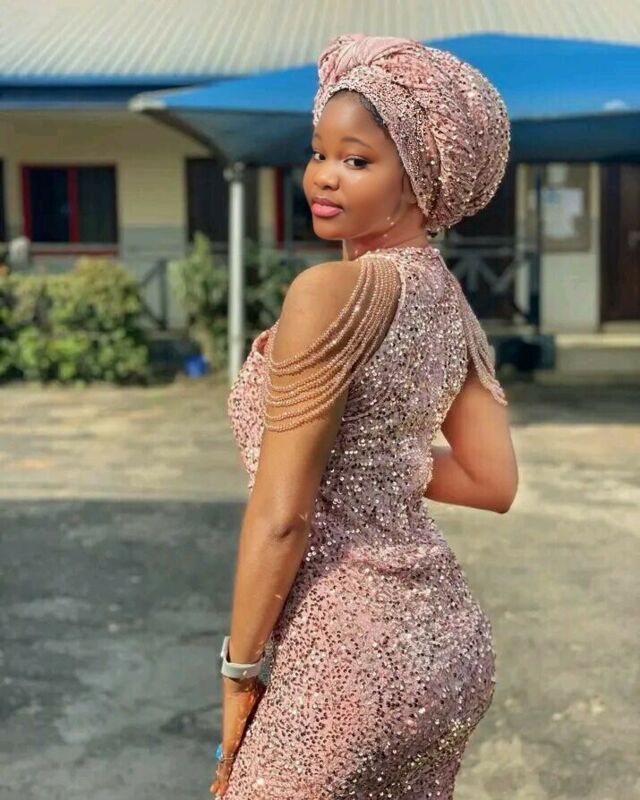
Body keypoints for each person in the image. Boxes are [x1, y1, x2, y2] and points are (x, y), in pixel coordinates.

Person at [212, 33, 518, 800]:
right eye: (319, 152)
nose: (323, 175)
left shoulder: (328, 293)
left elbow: (281, 518)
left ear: (419, 180)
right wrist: (380, 461)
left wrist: (239, 670)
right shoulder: (451, 303)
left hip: (349, 657)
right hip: (449, 649)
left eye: (356, 160)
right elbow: (492, 480)